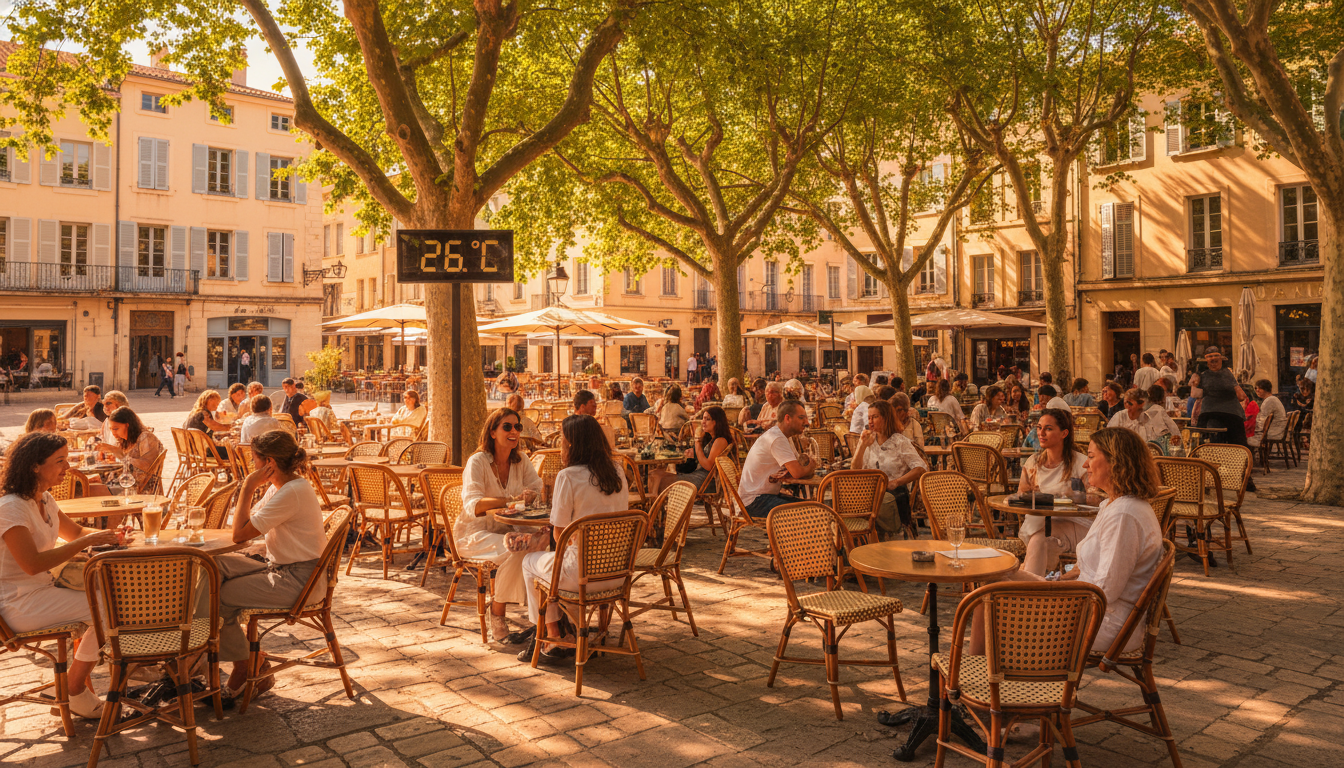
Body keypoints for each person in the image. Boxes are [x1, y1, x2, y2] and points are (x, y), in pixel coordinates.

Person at [970, 427, 1164, 656]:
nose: (1085, 464)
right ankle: (980, 671)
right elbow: (1093, 573)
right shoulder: (1113, 505)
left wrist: (1053, 592)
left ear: (1116, 462)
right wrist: (1053, 581)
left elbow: (1105, 590)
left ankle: (978, 673)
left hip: (1103, 620)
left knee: (990, 601)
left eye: (1091, 457)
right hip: (1087, 603)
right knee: (996, 580)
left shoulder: (1124, 515)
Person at [0, 433, 122, 719]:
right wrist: (84, 543)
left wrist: (112, 536)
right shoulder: (11, 508)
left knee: (112, 598)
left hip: (42, 591)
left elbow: (76, 532)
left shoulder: (43, 498)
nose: (68, 467)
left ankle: (75, 685)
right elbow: (32, 564)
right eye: (60, 461)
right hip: (16, 604)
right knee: (107, 607)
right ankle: (72, 689)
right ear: (35, 466)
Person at [210, 430, 327, 700]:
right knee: (214, 567)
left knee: (220, 595)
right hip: (282, 567)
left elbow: (239, 534)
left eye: (254, 460)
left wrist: (248, 487)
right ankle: (212, 657)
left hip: (301, 581)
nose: (253, 466)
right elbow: (245, 524)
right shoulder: (282, 487)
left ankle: (247, 664)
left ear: (269, 462)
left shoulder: (291, 492)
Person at [520, 415, 630, 664]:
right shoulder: (617, 471)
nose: (560, 446)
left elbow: (559, 534)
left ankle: (554, 636)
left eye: (562, 440)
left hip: (581, 578)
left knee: (530, 562)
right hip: (618, 574)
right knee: (558, 563)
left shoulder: (568, 476)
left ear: (571, 444)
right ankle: (576, 626)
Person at [461, 408, 545, 644]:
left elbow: (537, 488)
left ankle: (545, 618)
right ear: (492, 432)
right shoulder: (477, 462)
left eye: (517, 427)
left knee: (535, 546)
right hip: (476, 534)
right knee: (525, 547)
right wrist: (511, 500)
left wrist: (531, 496)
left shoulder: (521, 460)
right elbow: (474, 505)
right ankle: (499, 610)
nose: (514, 431)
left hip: (512, 531)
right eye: (507, 427)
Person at [1016, 409, 1090, 575]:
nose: (1041, 433)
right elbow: (1021, 496)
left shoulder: (1081, 463)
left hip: (1076, 524)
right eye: (1039, 427)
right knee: (1042, 541)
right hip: (1041, 524)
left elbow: (1097, 499)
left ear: (1064, 433)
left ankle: (1027, 583)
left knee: (1039, 540)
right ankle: (1035, 583)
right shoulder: (1033, 463)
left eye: (1048, 429)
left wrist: (1075, 496)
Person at [853, 400, 928, 535]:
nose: (870, 422)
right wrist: (862, 445)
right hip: (871, 492)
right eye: (869, 418)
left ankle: (868, 533)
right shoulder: (868, 440)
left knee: (868, 505)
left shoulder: (899, 442)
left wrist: (896, 482)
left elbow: (921, 468)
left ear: (886, 418)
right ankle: (859, 535)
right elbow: (854, 471)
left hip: (895, 494)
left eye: (875, 417)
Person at [737, 401, 815, 519]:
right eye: (801, 418)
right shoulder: (777, 438)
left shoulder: (783, 436)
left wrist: (805, 466)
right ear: (787, 418)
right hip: (755, 502)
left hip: (763, 497)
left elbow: (798, 464)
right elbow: (797, 472)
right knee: (813, 512)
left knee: (814, 507)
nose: (807, 423)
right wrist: (812, 466)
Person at [649, 406, 732, 496]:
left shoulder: (720, 441)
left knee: (661, 480)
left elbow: (708, 466)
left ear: (716, 422)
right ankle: (655, 503)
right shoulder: (711, 439)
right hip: (698, 475)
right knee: (654, 474)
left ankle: (656, 503)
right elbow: (705, 457)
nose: (703, 422)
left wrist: (697, 441)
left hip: (706, 482)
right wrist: (694, 453)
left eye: (707, 419)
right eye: (703, 418)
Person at [94, 407, 164, 490]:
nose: (113, 432)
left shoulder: (146, 438)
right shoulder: (123, 440)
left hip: (137, 487)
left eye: (116, 429)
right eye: (111, 429)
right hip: (120, 481)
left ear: (127, 425)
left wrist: (119, 454)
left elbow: (149, 466)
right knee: (83, 485)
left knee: (88, 490)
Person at [1195, 347, 1247, 448]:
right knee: (1238, 448)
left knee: (1203, 445)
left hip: (1208, 414)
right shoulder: (1227, 373)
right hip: (1232, 414)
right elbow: (1241, 396)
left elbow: (1195, 394)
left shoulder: (1202, 375)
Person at [1108, 389, 1180, 447]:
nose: (1127, 407)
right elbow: (1107, 439)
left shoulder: (1158, 412)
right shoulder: (1120, 417)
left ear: (1142, 403)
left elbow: (1176, 435)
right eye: (1125, 404)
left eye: (1130, 404)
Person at [1248, 380, 1287, 450]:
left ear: (1265, 389)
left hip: (1273, 432)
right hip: (1277, 430)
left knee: (1244, 437)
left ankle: (1247, 455)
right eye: (1256, 388)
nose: (1257, 390)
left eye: (1259, 388)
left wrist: (1251, 427)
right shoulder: (1273, 399)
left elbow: (1262, 422)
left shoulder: (1269, 401)